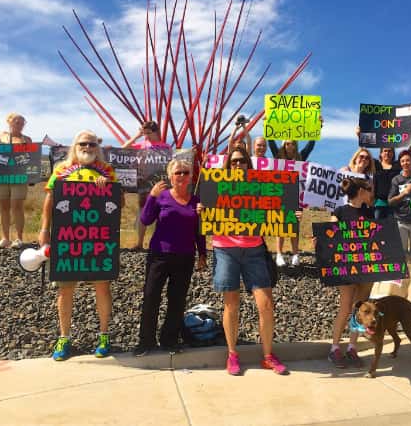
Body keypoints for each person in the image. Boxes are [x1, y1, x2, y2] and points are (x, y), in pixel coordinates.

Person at [197, 147, 288, 376]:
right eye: (234, 162)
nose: (238, 165)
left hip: (254, 251)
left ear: (249, 164)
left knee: (266, 305)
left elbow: (276, 211)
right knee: (231, 305)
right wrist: (202, 209)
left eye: (242, 162)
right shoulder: (218, 187)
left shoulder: (259, 189)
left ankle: (268, 355)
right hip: (226, 250)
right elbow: (207, 212)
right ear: (228, 166)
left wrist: (291, 215)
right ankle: (232, 354)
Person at [39, 130, 123, 361]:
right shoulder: (61, 171)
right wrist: (45, 229)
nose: (87, 147)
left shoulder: (107, 171)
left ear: (98, 148)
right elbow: (50, 199)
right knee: (65, 289)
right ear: (75, 146)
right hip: (68, 237)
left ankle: (104, 335)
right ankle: (64, 337)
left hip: (99, 237)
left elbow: (120, 202)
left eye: (92, 144)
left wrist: (107, 189)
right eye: (83, 143)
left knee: (102, 287)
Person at [133, 159, 207, 355]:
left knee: (177, 299)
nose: (181, 176)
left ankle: (169, 340)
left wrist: (203, 254)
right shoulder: (162, 197)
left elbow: (199, 231)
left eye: (185, 172)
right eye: (177, 173)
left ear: (191, 176)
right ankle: (146, 341)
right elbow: (145, 219)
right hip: (160, 255)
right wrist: (151, 197)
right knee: (151, 297)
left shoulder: (196, 201)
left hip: (185, 257)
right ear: (170, 176)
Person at [326, 176, 375, 368]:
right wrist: (321, 238)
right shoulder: (340, 211)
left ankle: (352, 348)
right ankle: (335, 349)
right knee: (345, 308)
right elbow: (329, 232)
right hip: (346, 268)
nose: (371, 194)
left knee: (359, 309)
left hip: (365, 267)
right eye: (368, 190)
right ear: (361, 191)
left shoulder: (369, 212)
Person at [0, 113, 32, 249]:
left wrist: (32, 176)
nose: (19, 124)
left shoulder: (27, 139)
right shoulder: (2, 135)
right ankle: (5, 238)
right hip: (2, 176)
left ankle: (19, 238)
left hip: (19, 178)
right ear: (9, 122)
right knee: (4, 207)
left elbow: (30, 158)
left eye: (22, 122)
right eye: (16, 121)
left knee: (17, 207)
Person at [122, 120, 171, 251]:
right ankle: (139, 243)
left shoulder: (165, 147)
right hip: (143, 183)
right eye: (144, 133)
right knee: (143, 212)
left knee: (161, 214)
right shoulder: (142, 145)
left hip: (159, 183)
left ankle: (158, 244)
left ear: (156, 132)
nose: (146, 136)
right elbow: (123, 148)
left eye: (148, 133)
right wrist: (137, 136)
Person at [269, 139, 314, 267]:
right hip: (281, 196)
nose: (290, 146)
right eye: (287, 143)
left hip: (296, 196)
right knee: (281, 226)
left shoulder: (300, 157)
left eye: (293, 143)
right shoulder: (278, 156)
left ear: (295, 145)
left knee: (294, 225)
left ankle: (295, 255)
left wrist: (317, 128)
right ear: (284, 145)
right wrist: (267, 124)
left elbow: (309, 147)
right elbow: (271, 143)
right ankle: (279, 254)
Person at [388, 150, 411, 256]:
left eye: (408, 160)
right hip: (401, 222)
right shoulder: (396, 180)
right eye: (402, 161)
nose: (405, 163)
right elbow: (390, 201)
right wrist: (405, 193)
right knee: (401, 255)